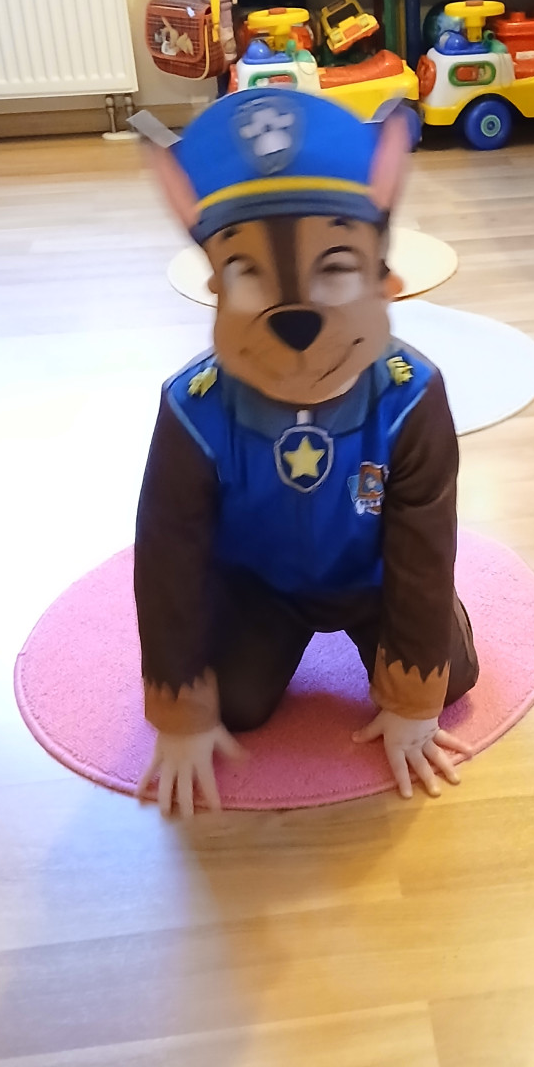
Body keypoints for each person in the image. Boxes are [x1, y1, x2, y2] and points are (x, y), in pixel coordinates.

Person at [134, 91, 477, 815]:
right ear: (215, 289)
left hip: (374, 578)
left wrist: (411, 700)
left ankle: (428, 645)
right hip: (257, 584)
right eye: (248, 275)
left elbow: (423, 539)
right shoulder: (193, 410)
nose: (296, 319)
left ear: (385, 285)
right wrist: (179, 707)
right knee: (236, 704)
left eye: (337, 270)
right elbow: (168, 557)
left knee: (447, 675)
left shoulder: (411, 397)